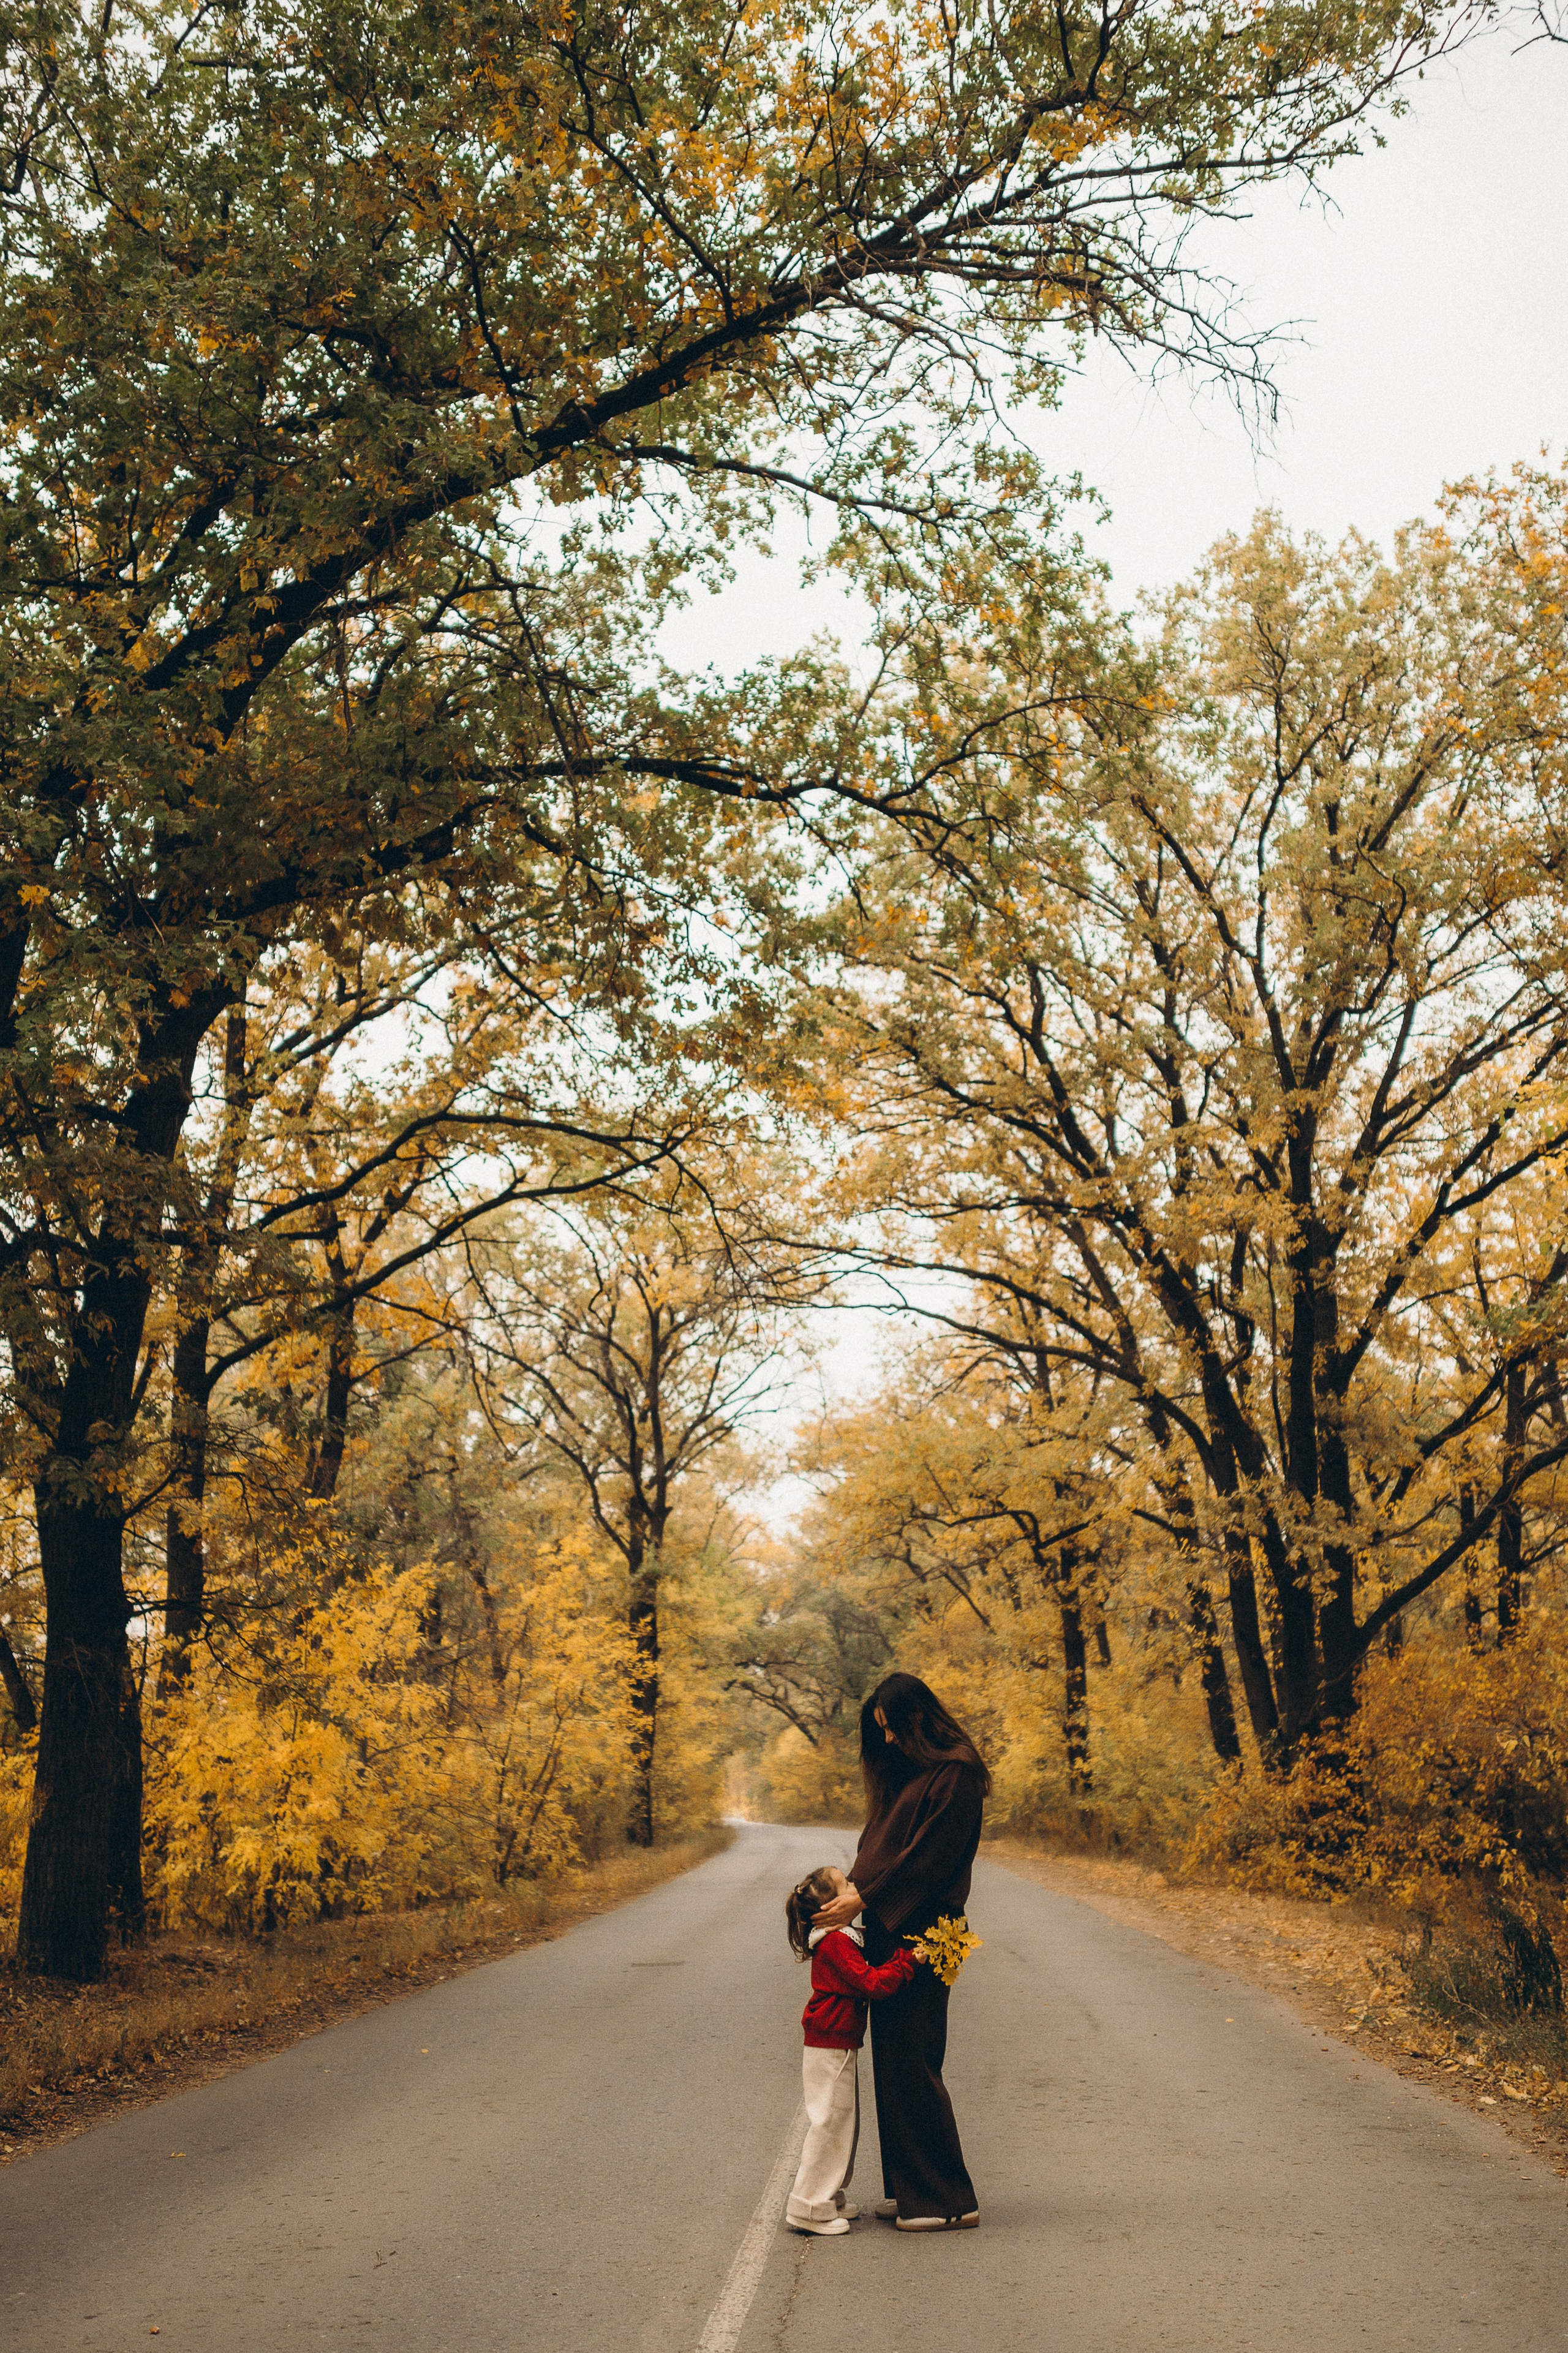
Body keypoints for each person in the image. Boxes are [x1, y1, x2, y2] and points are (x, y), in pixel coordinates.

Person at [812, 1673, 989, 2231]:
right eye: (881, 1733)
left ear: (918, 1719)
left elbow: (931, 1857)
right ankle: (913, 2187)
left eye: (893, 1730)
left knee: (915, 2059)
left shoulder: (956, 1772)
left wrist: (864, 1895)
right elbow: (883, 1845)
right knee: (894, 2062)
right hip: (893, 1930)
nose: (888, 1742)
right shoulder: (914, 1773)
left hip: (926, 1935)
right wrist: (852, 1893)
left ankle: (948, 2200)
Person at [783, 1863, 918, 2236]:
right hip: (831, 2041)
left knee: (845, 2121)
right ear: (832, 1907)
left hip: (835, 2040)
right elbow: (871, 1983)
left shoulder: (841, 1936)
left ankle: (831, 2195)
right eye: (847, 1883)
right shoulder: (837, 1942)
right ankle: (809, 2207)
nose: (856, 1884)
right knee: (831, 2123)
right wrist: (909, 1960)